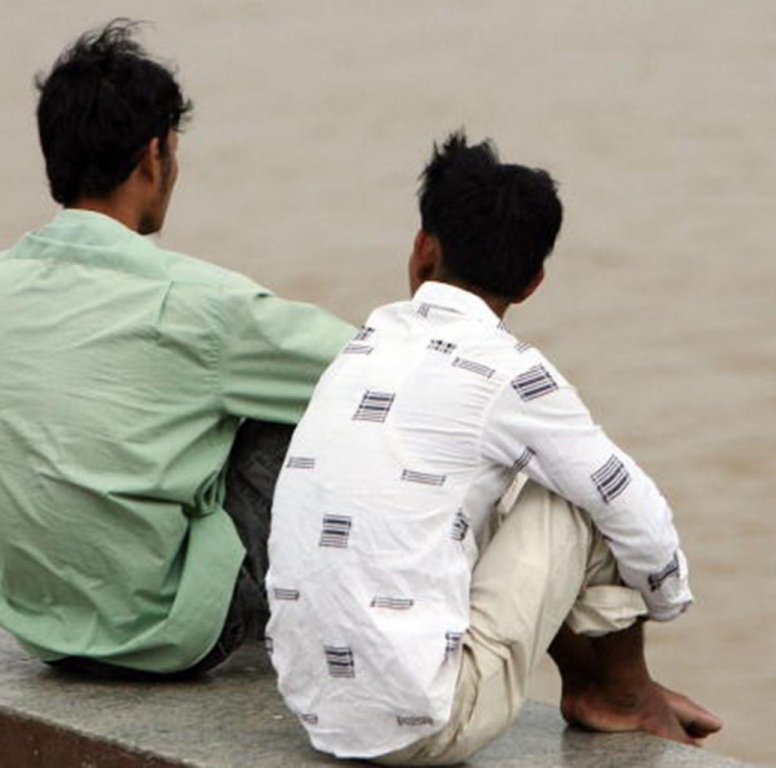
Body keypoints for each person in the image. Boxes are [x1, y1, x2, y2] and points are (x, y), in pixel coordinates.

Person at [264, 131, 723, 763]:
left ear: (423, 250)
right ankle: (620, 694)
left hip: (315, 709)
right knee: (583, 501)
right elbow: (632, 507)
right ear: (533, 282)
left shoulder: (361, 348)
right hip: (423, 729)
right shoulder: (509, 373)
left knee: (483, 482)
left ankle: (603, 687)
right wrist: (666, 601)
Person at [0, 19, 354, 679]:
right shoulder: (199, 303)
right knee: (319, 407)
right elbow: (379, 368)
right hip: (165, 632)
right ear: (154, 156)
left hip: (37, 623)